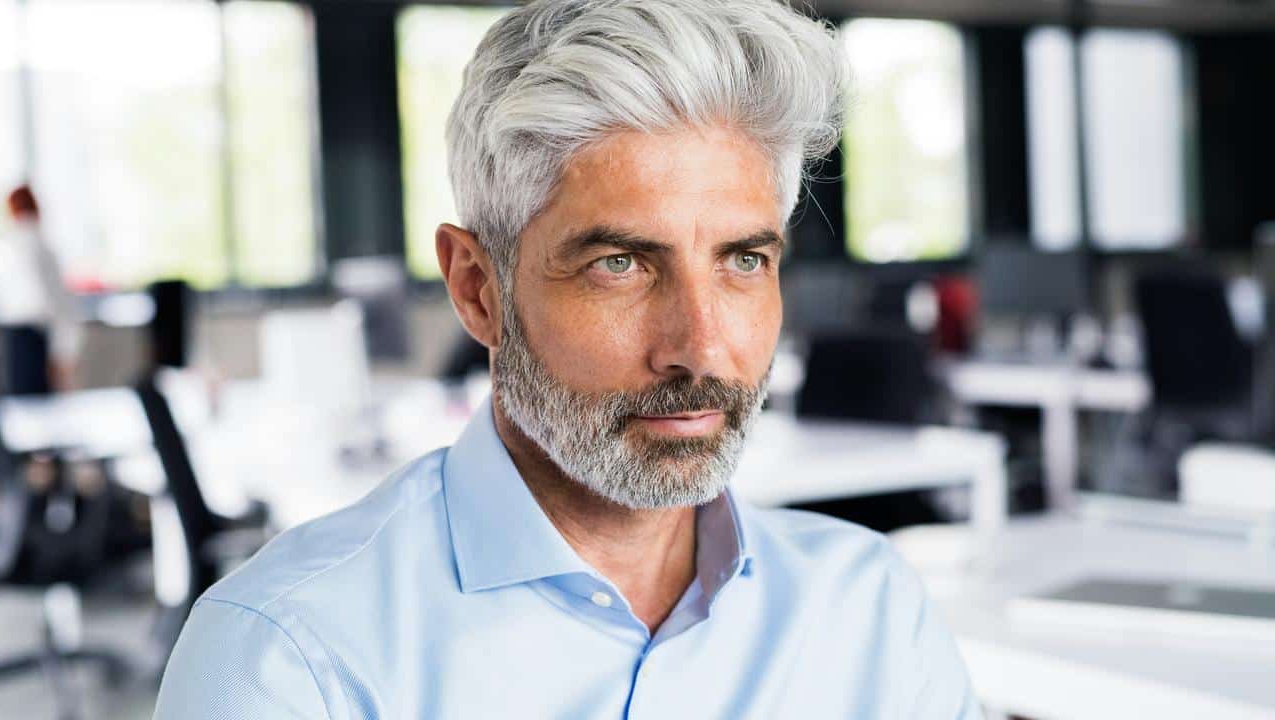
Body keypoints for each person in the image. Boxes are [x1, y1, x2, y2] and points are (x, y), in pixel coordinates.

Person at [155, 1, 981, 717]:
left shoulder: (871, 615)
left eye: (742, 261)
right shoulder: (291, 660)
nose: (700, 347)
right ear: (479, 290)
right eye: (618, 264)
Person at [0, 185, 81, 393]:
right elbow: (57, 305)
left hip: (20, 338)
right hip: (33, 338)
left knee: (24, 407)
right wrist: (65, 351)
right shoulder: (38, 247)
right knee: (39, 410)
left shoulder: (10, 246)